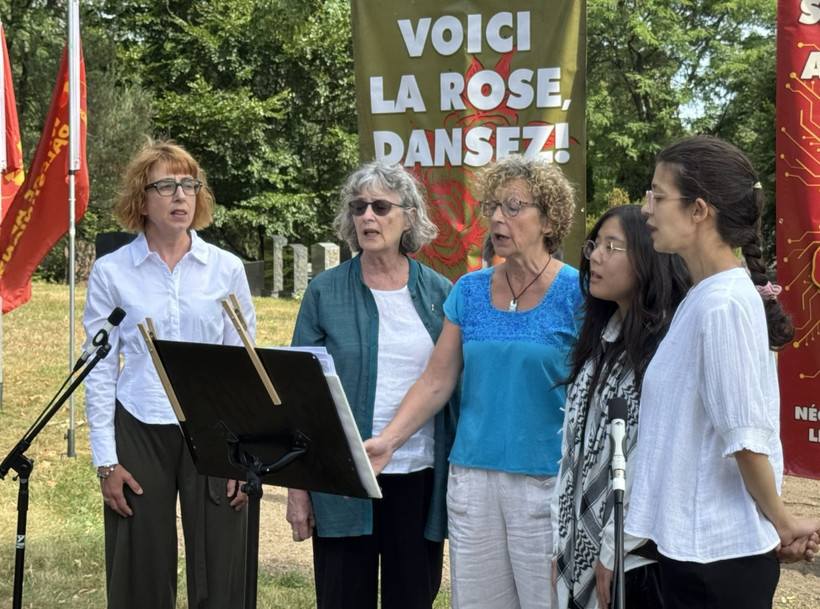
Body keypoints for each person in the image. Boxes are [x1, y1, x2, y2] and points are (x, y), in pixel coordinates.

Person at [366, 154, 583, 609]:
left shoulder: (578, 294)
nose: (498, 218)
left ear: (549, 220)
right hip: (472, 482)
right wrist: (389, 441)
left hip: (546, 483)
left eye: (514, 206)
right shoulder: (469, 290)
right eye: (492, 207)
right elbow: (435, 381)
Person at [626, 135, 820, 609]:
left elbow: (745, 437)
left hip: (715, 560)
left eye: (657, 195)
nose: (646, 209)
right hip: (697, 554)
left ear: (699, 210)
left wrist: (783, 523)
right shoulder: (705, 297)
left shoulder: (724, 303)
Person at [83, 140, 255, 609]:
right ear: (141, 199)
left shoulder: (226, 269)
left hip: (214, 427)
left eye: (189, 185)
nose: (181, 195)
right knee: (140, 569)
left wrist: (243, 454)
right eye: (166, 186)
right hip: (140, 424)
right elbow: (99, 369)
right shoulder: (112, 272)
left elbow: (242, 364)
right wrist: (106, 461)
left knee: (220, 569)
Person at [285, 161, 456, 609]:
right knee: (343, 598)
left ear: (409, 217)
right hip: (342, 478)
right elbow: (299, 396)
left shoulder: (441, 293)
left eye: (381, 207)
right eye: (358, 207)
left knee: (412, 598)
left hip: (418, 475)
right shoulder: (324, 292)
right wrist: (298, 488)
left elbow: (450, 385)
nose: (367, 216)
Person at [552, 205, 690, 609]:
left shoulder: (665, 350)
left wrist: (614, 549)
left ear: (649, 259)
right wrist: (563, 545)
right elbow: (574, 455)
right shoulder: (603, 341)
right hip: (584, 546)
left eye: (612, 247)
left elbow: (653, 461)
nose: (594, 256)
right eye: (595, 244)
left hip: (636, 558)